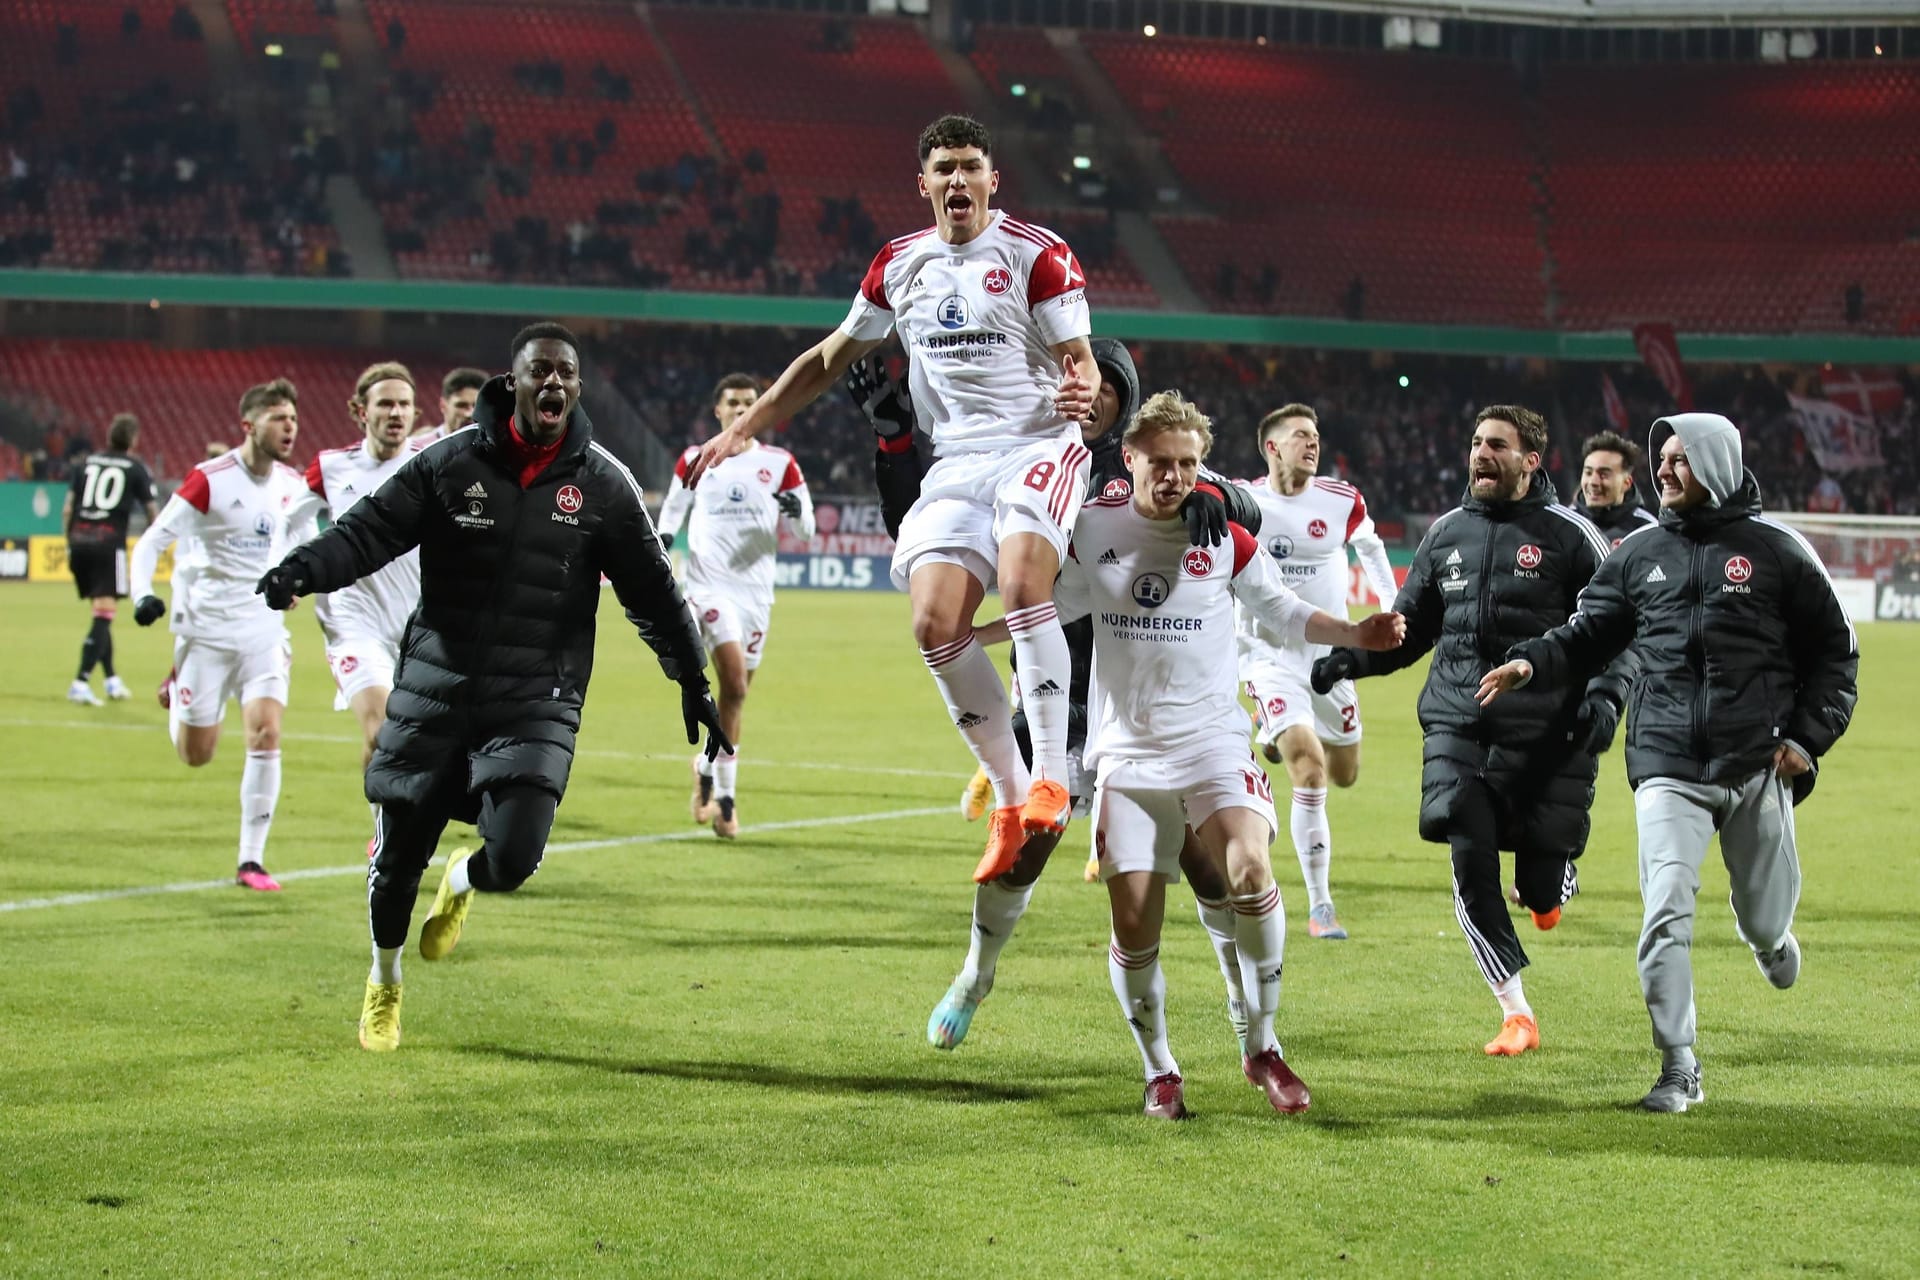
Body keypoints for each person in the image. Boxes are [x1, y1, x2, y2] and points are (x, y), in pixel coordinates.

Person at [253, 323, 726, 1053]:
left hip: (537, 697)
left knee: (515, 856)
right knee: (395, 867)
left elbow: (653, 591)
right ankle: (385, 978)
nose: (555, 384)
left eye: (566, 373)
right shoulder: (450, 463)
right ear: (515, 381)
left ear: (577, 385)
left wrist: (691, 678)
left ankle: (466, 880)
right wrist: (303, 570)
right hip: (438, 686)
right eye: (541, 371)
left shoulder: (602, 483)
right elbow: (367, 532)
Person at [686, 113, 1099, 883]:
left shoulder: (1038, 255)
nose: (956, 182)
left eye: (970, 167)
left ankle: (1053, 779)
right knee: (934, 622)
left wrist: (1084, 384)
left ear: (991, 179)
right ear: (923, 184)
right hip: (956, 463)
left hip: (1037, 447)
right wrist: (744, 425)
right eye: (942, 169)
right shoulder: (898, 265)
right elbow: (827, 358)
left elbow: (1085, 362)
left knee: (1019, 582)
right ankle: (1011, 802)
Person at [977, 391, 1404, 1117]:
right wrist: (964, 636)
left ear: (1203, 466)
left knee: (1249, 868)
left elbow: (1285, 611)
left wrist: (1356, 635)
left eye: (1189, 464)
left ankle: (1263, 1047)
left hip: (1213, 741)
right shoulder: (1092, 528)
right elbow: (1047, 605)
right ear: (1132, 458)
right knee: (1134, 924)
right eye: (1162, 462)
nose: (1174, 476)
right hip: (1126, 754)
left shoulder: (1226, 535)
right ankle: (1159, 1069)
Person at [852, 338, 1267, 1051]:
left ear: (1126, 398)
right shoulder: (1023, 459)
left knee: (1206, 860)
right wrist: (894, 445)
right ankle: (975, 975)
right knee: (1023, 848)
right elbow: (928, 531)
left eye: (1109, 384)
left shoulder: (1144, 462)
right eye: (1080, 378)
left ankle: (1241, 999)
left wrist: (1214, 495)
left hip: (1149, 708)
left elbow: (1246, 508)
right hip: (1055, 700)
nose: (1093, 394)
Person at [1479, 413, 1858, 1112]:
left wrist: (1806, 740)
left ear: (1715, 463)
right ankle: (1678, 1064)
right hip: (1665, 762)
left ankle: (1770, 943)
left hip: (1758, 763)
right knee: (1664, 914)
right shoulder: (1639, 553)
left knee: (1763, 918)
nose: (1663, 471)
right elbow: (1588, 631)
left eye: (1680, 460)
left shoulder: (1780, 552)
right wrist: (1531, 662)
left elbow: (1837, 654)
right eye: (1661, 460)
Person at [1312, 405, 1631, 1057]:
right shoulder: (1446, 533)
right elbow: (1409, 629)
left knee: (1539, 884)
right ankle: (1516, 1011)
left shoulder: (1571, 538)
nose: (1481, 454)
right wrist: (1353, 656)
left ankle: (1552, 885)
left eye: (1497, 445)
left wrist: (1604, 701)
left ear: (1529, 461)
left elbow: (1613, 632)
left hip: (1549, 735)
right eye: (1476, 443)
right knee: (1467, 845)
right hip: (1459, 722)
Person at [131, 380, 315, 892]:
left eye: (294, 419)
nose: (289, 428)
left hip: (262, 633)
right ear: (249, 425)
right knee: (197, 754)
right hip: (206, 634)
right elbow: (152, 542)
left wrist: (299, 577)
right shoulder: (208, 481)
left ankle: (251, 861)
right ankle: (178, 690)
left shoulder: (290, 483)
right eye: (279, 418)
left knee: (266, 732)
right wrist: (141, 594)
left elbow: (303, 541)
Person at [1234, 404, 1399, 941]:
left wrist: (1393, 603)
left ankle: (1273, 731)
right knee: (1310, 769)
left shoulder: (1340, 498)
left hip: (1332, 657)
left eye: (1317, 436)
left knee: (1345, 771)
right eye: (1301, 435)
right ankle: (1321, 906)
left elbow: (1371, 549)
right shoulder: (1245, 501)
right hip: (1269, 655)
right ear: (1271, 447)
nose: (1313, 443)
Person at [655, 373, 816, 838]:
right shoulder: (696, 457)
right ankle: (727, 798)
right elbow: (672, 510)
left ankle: (706, 768)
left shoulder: (780, 463)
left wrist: (795, 512)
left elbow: (806, 529)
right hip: (708, 589)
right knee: (737, 687)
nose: (742, 408)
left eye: (751, 402)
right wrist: (664, 543)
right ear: (718, 410)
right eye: (733, 402)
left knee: (734, 697)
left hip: (756, 594)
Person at [295, 362, 432, 773]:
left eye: (405, 405)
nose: (396, 413)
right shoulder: (332, 467)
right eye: (386, 404)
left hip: (422, 625)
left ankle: (384, 836)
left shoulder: (435, 466)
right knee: (383, 731)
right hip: (354, 621)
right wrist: (295, 569)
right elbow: (289, 519)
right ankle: (388, 837)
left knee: (408, 746)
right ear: (360, 411)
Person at [64, 412, 156, 705]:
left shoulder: (85, 463)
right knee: (104, 615)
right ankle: (80, 682)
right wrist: (151, 545)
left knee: (100, 612)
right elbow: (153, 512)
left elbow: (68, 508)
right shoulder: (135, 467)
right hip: (108, 544)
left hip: (79, 540)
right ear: (133, 439)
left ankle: (112, 680)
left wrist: (69, 541)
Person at [1574, 429, 1657, 549]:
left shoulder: (1647, 530)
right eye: (1588, 472)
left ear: (1626, 483)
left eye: (1604, 475)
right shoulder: (1564, 524)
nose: (1593, 482)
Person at [414, 366, 487, 441]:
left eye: (476, 406)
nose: (469, 414)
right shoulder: (422, 447)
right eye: (461, 405)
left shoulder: (494, 448)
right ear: (443, 405)